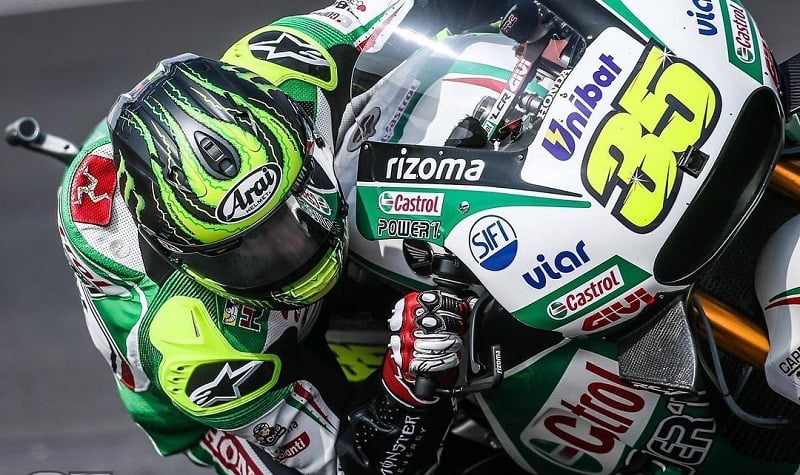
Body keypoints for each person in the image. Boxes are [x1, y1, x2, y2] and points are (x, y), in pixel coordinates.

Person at [57, 0, 517, 473]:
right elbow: (349, 463)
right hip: (227, 376)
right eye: (244, 253)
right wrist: (409, 393)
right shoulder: (192, 346)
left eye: (293, 213)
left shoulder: (283, 64)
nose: (290, 251)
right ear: (181, 258)